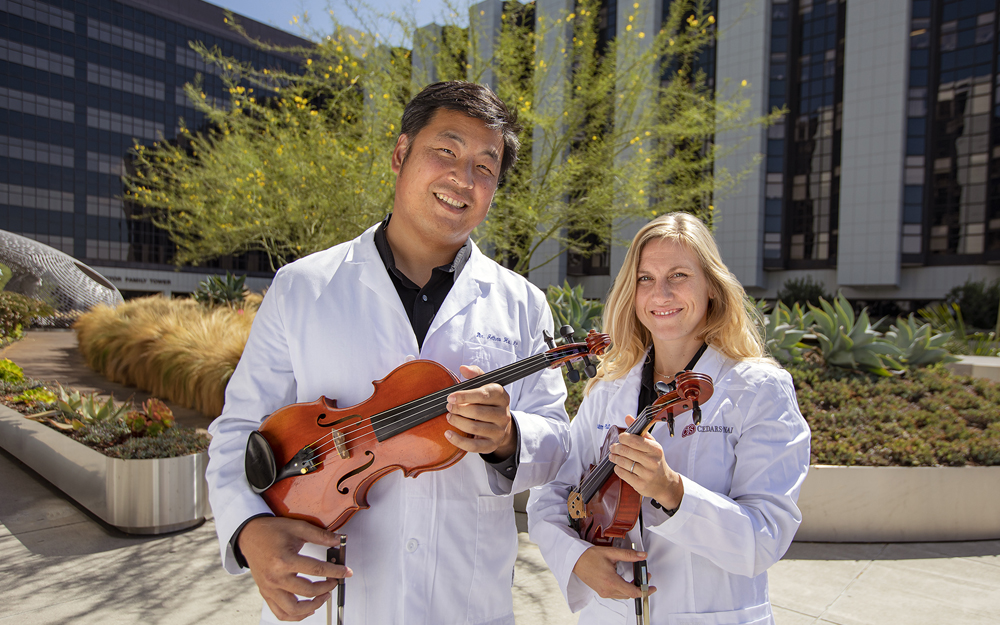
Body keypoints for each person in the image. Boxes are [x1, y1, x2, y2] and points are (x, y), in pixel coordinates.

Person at [207, 81, 571, 624]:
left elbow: (558, 438)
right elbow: (239, 430)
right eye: (445, 152)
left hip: (466, 601)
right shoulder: (302, 286)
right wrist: (248, 530)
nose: (462, 179)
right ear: (401, 154)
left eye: (485, 168)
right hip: (331, 599)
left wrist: (510, 437)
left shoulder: (523, 303)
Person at [527, 212, 810, 624]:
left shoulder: (759, 389)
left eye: (679, 275)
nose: (661, 293)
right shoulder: (609, 388)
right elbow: (552, 492)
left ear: (711, 286)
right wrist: (577, 557)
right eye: (646, 278)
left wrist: (674, 491)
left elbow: (765, 538)